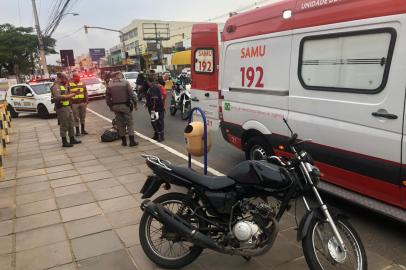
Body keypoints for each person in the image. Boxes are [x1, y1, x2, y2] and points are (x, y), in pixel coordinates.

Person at [105, 71, 138, 147]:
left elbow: (107, 97)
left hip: (115, 107)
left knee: (120, 124)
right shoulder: (125, 83)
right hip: (125, 106)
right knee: (129, 123)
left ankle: (124, 142)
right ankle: (132, 141)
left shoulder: (109, 85)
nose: (122, 75)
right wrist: (135, 103)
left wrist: (110, 106)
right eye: (121, 74)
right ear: (118, 75)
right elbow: (131, 94)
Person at [51, 73, 81, 147]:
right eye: (65, 79)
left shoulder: (63, 85)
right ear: (60, 78)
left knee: (71, 123)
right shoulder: (56, 86)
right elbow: (58, 97)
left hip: (67, 107)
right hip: (61, 108)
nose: (66, 80)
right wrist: (72, 95)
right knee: (64, 125)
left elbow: (67, 93)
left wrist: (73, 93)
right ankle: (64, 141)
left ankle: (72, 139)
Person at [146, 74, 165, 142]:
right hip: (154, 108)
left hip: (155, 109)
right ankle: (156, 134)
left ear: (149, 81)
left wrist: (153, 109)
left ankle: (160, 136)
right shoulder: (152, 87)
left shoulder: (153, 87)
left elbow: (154, 99)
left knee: (156, 122)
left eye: (147, 81)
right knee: (154, 121)